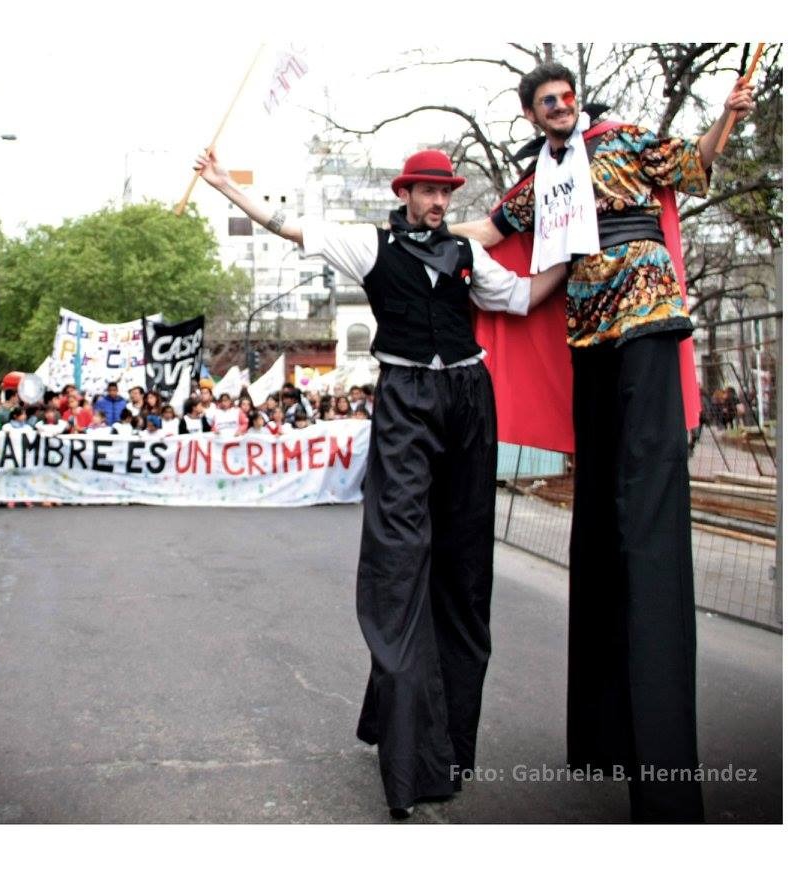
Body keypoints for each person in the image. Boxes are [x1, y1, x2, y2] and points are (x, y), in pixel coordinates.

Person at [197, 144, 567, 819]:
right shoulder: (368, 244)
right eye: (424, 190)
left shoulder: (465, 255)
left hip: (467, 397)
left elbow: (520, 297)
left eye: (442, 191)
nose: (434, 200)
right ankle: (408, 757)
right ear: (403, 192)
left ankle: (450, 739)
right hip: (404, 399)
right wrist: (225, 185)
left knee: (460, 568)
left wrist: (571, 251)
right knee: (398, 561)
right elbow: (288, 225)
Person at [449, 63, 755, 824]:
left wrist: (726, 115)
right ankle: (602, 728)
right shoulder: (534, 181)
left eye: (566, 97)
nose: (560, 107)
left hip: (646, 310)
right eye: (546, 102)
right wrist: (422, 231)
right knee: (601, 512)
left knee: (644, 500)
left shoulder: (617, 140)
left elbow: (693, 163)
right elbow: (490, 232)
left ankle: (660, 772)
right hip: (585, 329)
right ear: (529, 115)